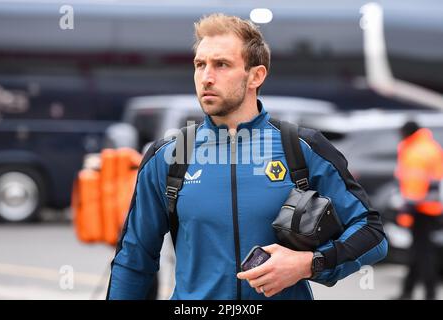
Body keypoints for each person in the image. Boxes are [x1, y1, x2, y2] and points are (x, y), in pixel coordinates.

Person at [107, 13, 388, 300]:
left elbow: (371, 234)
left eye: (221, 65)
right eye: (200, 65)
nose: (206, 77)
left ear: (256, 75)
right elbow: (133, 260)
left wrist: (309, 264)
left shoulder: (303, 148)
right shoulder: (168, 156)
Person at [395, 121, 443, 300]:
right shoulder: (430, 146)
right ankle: (407, 291)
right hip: (432, 207)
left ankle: (430, 294)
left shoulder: (415, 152)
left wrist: (407, 211)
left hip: (420, 210)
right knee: (418, 251)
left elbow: (415, 186)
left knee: (424, 254)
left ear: (407, 132)